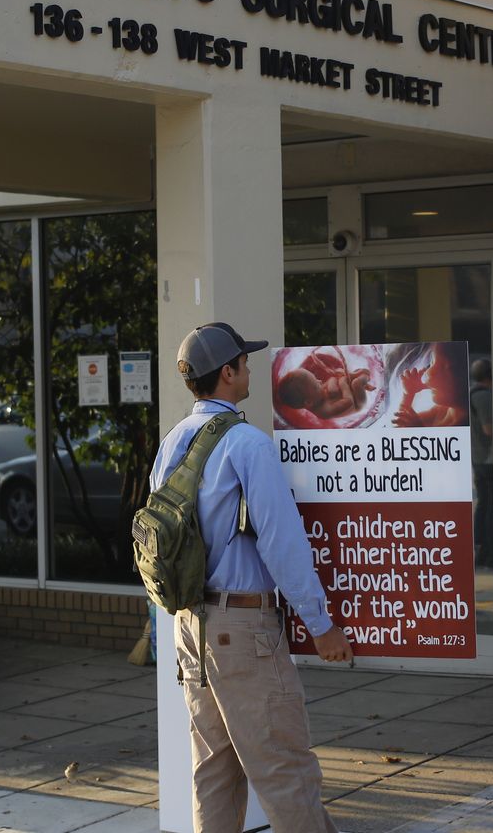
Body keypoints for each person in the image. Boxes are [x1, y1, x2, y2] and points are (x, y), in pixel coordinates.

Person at [152, 322, 353, 833]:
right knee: (284, 770)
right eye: (244, 361)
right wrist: (321, 625)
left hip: (189, 626)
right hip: (242, 629)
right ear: (227, 373)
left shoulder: (171, 444)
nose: (249, 369)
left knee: (214, 772)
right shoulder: (247, 445)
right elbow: (283, 545)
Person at [275, 347, 374, 421]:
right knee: (356, 384)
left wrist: (338, 376)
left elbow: (332, 383)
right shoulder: (325, 412)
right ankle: (364, 378)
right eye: (316, 385)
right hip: (357, 402)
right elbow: (349, 402)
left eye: (316, 379)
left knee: (338, 375)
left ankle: (358, 375)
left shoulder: (316, 396)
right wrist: (343, 383)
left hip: (348, 391)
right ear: (309, 402)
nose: (320, 381)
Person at [467, 359, 493, 565]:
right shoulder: (484, 397)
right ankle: (487, 548)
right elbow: (489, 429)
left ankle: (480, 546)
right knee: (490, 505)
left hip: (477, 457)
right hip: (487, 458)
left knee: (484, 503)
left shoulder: (469, 395)